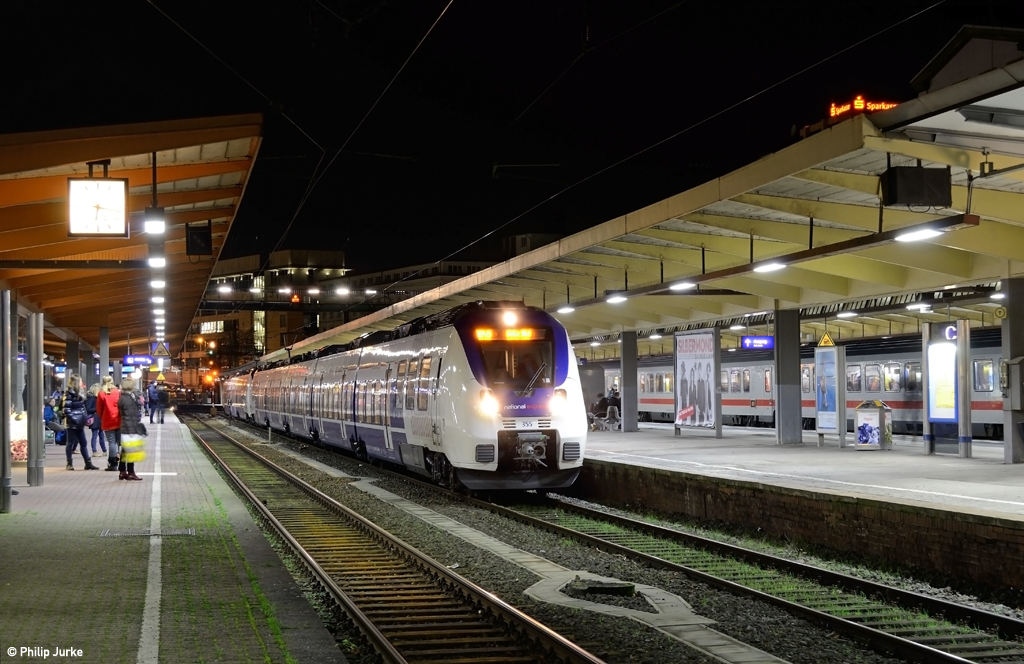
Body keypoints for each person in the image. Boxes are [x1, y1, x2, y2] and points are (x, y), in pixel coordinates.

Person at [62, 374, 99, 470]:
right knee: (70, 443)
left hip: (80, 422)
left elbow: (82, 408)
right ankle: (69, 463)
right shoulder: (69, 394)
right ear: (76, 382)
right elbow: (66, 409)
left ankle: (88, 463)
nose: (82, 383)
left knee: (83, 443)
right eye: (80, 381)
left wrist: (84, 418)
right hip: (72, 424)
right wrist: (75, 419)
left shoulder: (80, 394)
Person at [117, 377, 146, 481]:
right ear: (130, 386)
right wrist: (133, 430)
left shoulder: (126, 397)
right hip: (129, 427)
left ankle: (122, 472)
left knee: (125, 451)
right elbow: (129, 415)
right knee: (130, 451)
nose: (134, 387)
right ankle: (130, 472)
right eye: (133, 385)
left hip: (126, 426)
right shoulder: (127, 399)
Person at [96, 375, 122, 471]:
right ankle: (121, 461)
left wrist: (102, 416)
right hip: (118, 419)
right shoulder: (118, 392)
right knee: (118, 442)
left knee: (111, 442)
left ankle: (113, 463)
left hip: (107, 419)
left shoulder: (101, 393)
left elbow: (99, 409)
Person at [86, 383, 107, 456]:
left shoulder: (97, 398)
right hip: (95, 419)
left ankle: (104, 451)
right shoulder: (92, 398)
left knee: (101, 435)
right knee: (95, 435)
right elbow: (88, 408)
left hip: (99, 418)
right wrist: (97, 409)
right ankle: (94, 451)